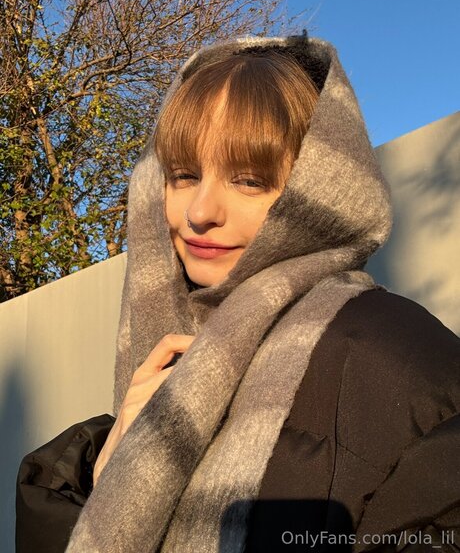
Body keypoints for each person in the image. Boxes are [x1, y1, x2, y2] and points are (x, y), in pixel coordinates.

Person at [16, 35, 460, 553]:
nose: (199, 212)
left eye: (248, 180)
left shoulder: (405, 362)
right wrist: (105, 479)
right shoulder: (162, 355)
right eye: (183, 175)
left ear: (318, 189)